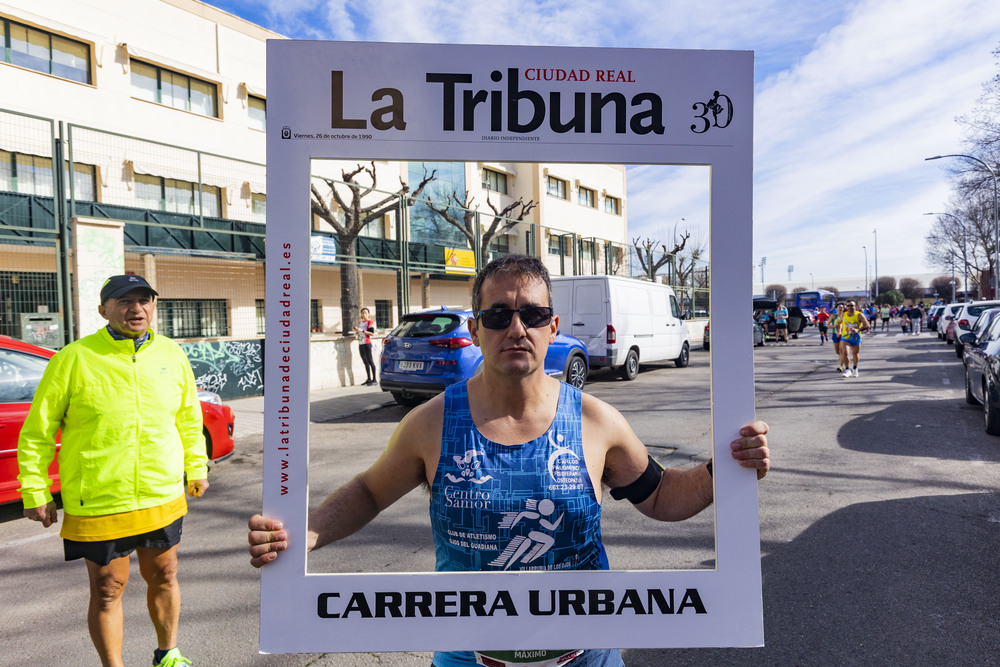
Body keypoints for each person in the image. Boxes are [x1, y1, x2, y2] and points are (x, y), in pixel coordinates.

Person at [248, 254, 770, 667]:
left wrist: (724, 470)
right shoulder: (431, 423)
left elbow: (659, 496)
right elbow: (368, 491)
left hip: (584, 655)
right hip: (469, 656)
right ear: (476, 329)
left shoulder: (595, 420)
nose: (516, 328)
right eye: (498, 315)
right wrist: (305, 532)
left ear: (553, 326)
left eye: (533, 315)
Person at [17, 274, 208, 667]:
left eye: (144, 300)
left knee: (166, 575)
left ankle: (168, 654)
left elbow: (189, 419)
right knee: (107, 589)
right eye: (124, 301)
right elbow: (38, 431)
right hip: (99, 498)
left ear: (153, 306)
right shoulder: (73, 358)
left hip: (160, 493)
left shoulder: (172, 354)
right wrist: (35, 491)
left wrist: (196, 467)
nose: (136, 308)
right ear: (103, 309)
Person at [837, 300, 871, 378]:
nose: (850, 307)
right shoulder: (843, 315)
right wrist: (839, 331)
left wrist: (858, 330)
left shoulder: (859, 315)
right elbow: (839, 323)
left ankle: (855, 368)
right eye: (848, 306)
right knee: (845, 353)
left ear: (855, 306)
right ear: (846, 307)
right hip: (845, 337)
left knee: (855, 354)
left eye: (851, 305)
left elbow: (867, 325)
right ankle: (847, 370)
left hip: (855, 337)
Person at [354, 306, 377, 386]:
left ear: (368, 314)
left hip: (367, 343)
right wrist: (357, 331)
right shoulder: (360, 323)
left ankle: (374, 379)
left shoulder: (370, 322)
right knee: (365, 362)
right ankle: (369, 379)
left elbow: (372, 333)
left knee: (370, 361)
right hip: (361, 343)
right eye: (363, 313)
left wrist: (362, 331)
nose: (364, 314)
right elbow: (360, 332)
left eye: (365, 313)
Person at [830, 303, 845, 372]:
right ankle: (842, 359)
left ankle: (841, 366)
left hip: (843, 335)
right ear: (836, 308)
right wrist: (834, 326)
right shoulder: (833, 316)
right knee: (838, 351)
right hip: (835, 334)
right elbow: (827, 325)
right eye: (839, 307)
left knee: (842, 351)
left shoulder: (845, 316)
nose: (841, 308)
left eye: (842, 307)